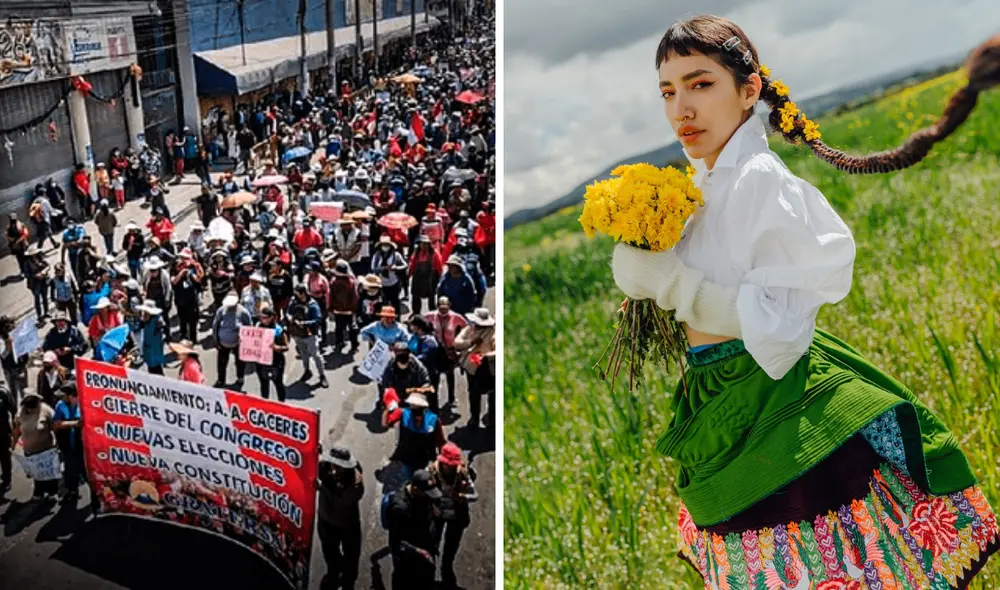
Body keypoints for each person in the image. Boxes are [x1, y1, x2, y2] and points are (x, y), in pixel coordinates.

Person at [607, 16, 1000, 586]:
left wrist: (667, 282)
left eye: (700, 84)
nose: (680, 109)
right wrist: (648, 282)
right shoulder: (702, 187)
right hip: (720, 398)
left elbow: (783, 327)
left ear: (748, 91)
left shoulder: (760, 183)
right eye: (668, 91)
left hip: (776, 406)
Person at [428, 442, 478, 588]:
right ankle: (431, 565)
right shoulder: (431, 471)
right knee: (432, 542)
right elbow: (423, 492)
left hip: (456, 516)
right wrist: (431, 505)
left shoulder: (462, 473)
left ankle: (446, 566)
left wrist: (462, 497)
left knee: (451, 546)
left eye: (452, 465)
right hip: (437, 515)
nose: (450, 467)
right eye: (447, 465)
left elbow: (475, 495)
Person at [316, 446, 364, 590]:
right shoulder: (324, 466)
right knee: (330, 554)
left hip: (347, 524)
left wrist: (321, 488)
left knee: (351, 557)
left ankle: (348, 581)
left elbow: (341, 499)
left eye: (340, 467)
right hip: (326, 521)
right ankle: (333, 573)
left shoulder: (356, 483)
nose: (335, 470)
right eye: (333, 465)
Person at [386, 468, 442, 588]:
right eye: (426, 493)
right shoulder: (400, 508)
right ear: (415, 488)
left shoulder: (422, 495)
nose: (429, 496)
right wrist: (419, 552)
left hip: (426, 549)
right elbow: (396, 542)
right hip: (408, 560)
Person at [11, 391, 59, 500]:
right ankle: (39, 492)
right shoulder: (20, 413)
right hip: (30, 449)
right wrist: (13, 445)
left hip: (46, 449)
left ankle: (53, 492)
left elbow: (55, 426)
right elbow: (17, 430)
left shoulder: (46, 410)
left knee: (50, 472)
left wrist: (58, 444)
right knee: (36, 473)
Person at [454, 307, 495, 430]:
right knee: (473, 393)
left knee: (492, 394)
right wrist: (471, 342)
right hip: (472, 367)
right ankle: (474, 418)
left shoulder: (493, 332)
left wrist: (485, 356)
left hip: (488, 367)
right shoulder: (470, 329)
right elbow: (457, 342)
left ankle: (492, 420)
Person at [286, 285, 329, 388]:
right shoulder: (294, 302)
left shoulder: (312, 305)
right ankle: (307, 370)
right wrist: (290, 317)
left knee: (316, 355)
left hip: (310, 335)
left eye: (297, 293)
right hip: (297, 334)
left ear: (303, 293)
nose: (295, 296)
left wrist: (305, 323)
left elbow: (318, 319)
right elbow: (288, 312)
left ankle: (322, 375)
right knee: (303, 353)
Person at [52, 383, 85, 502]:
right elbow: (56, 425)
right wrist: (74, 424)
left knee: (85, 469)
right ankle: (73, 491)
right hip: (67, 446)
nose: (63, 397)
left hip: (82, 446)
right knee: (70, 470)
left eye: (66, 395)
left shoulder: (83, 404)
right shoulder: (60, 405)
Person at [213, 294, 252, 388]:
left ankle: (240, 377)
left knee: (240, 362)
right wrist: (216, 341)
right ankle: (221, 379)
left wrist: (246, 343)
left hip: (238, 343)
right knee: (221, 363)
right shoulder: (221, 310)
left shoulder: (243, 312)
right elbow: (215, 325)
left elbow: (249, 327)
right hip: (222, 343)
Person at [255, 306, 289, 401]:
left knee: (278, 383)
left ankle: (281, 403)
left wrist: (276, 347)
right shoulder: (258, 326)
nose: (262, 320)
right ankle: (265, 403)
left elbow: (286, 347)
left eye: (264, 318)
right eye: (260, 317)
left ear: (271, 318)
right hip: (261, 361)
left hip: (276, 362)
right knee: (264, 384)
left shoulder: (279, 331)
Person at [172, 249, 205, 343]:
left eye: (186, 258)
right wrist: (181, 273)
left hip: (192, 298)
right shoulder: (175, 266)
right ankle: (183, 336)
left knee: (193, 319)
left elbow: (199, 279)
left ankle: (193, 338)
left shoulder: (194, 266)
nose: (183, 260)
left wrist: (193, 272)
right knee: (182, 319)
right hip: (180, 298)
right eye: (182, 257)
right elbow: (174, 281)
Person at [370, 236, 408, 313]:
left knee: (395, 303)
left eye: (387, 244)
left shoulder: (396, 255)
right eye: (383, 245)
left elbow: (405, 265)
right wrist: (383, 268)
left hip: (393, 283)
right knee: (383, 304)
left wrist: (396, 267)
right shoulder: (377, 255)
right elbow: (373, 268)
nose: (385, 247)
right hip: (381, 283)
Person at [329, 260, 359, 354]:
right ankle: (354, 345)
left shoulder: (333, 281)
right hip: (349, 310)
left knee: (339, 327)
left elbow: (330, 296)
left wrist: (330, 307)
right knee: (352, 327)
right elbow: (355, 296)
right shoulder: (351, 282)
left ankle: (339, 343)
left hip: (337, 310)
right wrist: (355, 308)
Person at [408, 236, 443, 315]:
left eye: (426, 244)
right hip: (418, 278)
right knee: (415, 296)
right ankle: (416, 313)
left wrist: (440, 277)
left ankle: (433, 313)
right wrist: (409, 273)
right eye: (422, 244)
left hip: (430, 278)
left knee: (431, 297)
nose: (424, 246)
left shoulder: (434, 253)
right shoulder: (416, 253)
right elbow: (412, 264)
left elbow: (439, 266)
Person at [0, 317, 29, 402]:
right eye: (11, 324)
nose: (13, 325)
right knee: (13, 395)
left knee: (25, 392)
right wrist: (8, 348)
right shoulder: (1, 340)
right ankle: (15, 412)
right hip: (10, 371)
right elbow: (3, 356)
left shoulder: (17, 335)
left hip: (21, 368)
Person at [137, 299, 167, 374]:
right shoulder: (151, 319)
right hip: (151, 350)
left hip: (153, 351)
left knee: (156, 371)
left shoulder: (155, 320)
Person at [25, 244, 50, 319]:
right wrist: (36, 275)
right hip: (35, 283)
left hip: (43, 280)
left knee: (45, 297)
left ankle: (46, 312)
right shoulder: (27, 262)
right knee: (37, 298)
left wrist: (44, 271)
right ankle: (39, 315)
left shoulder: (40, 258)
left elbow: (48, 266)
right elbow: (27, 274)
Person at [7, 213, 31, 278]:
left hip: (22, 245)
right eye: (12, 220)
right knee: (20, 259)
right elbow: (7, 236)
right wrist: (12, 239)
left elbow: (26, 233)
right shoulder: (9, 227)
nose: (13, 221)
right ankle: (23, 271)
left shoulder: (21, 224)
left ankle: (28, 270)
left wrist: (18, 240)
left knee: (26, 258)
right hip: (16, 247)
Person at [0, 385, 14, 492]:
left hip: (2, 431)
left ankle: (7, 479)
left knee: (5, 457)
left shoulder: (3, 392)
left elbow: (13, 409)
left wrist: (15, 429)